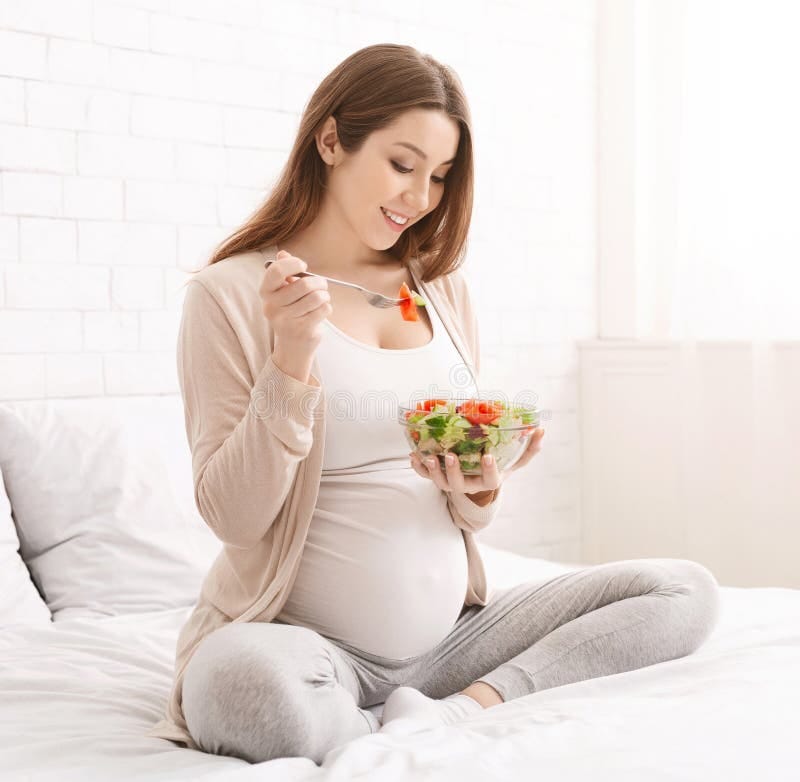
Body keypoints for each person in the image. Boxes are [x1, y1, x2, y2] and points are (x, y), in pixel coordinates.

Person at [146, 43, 721, 765]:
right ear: (330, 140)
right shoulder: (232, 295)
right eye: (402, 164)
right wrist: (290, 362)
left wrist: (480, 487)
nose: (419, 197)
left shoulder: (442, 291)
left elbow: (462, 503)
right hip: (308, 644)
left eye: (442, 176)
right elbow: (234, 517)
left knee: (680, 591)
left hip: (454, 642)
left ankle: (457, 712)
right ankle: (364, 721)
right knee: (236, 687)